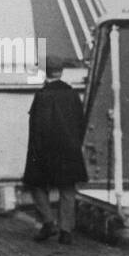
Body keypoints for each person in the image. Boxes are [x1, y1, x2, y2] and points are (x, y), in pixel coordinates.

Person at [23, 59, 88, 245]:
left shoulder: (42, 95)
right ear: (61, 71)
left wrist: (35, 152)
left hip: (45, 150)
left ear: (46, 73)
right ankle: (66, 231)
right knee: (67, 189)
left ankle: (48, 223)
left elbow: (37, 127)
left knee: (36, 186)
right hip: (69, 150)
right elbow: (81, 122)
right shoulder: (72, 94)